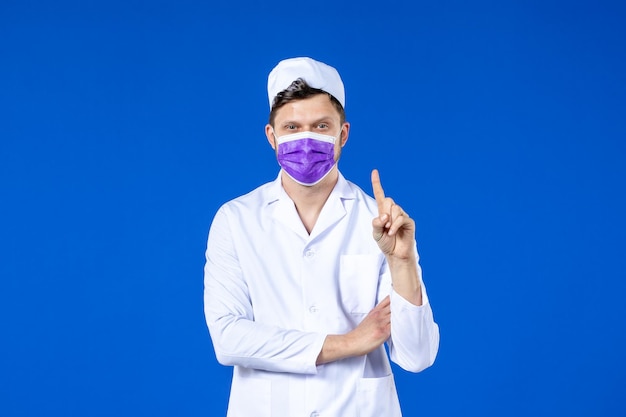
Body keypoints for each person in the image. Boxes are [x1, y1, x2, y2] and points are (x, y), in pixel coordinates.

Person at [203, 57, 439, 417]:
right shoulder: (236, 220)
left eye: (320, 125)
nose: (305, 139)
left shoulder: (379, 222)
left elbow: (417, 356)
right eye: (292, 126)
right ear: (272, 136)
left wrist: (402, 261)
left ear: (342, 133)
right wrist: (346, 344)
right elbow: (228, 339)